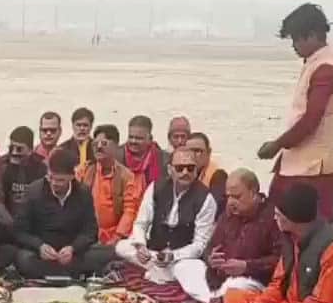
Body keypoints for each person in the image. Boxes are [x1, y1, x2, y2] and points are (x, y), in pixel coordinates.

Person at [257, 3, 333, 221]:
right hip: (298, 161)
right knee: (278, 219)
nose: (294, 45)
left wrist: (277, 144)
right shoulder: (315, 63)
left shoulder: (326, 69)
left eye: (296, 39)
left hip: (312, 168)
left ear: (314, 35)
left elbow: (310, 121)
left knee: (305, 227)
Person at [117, 148, 218, 289]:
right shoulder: (156, 187)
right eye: (180, 168)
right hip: (154, 254)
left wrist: (173, 256)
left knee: (194, 267)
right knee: (122, 247)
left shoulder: (206, 199)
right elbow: (141, 223)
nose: (185, 173)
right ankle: (161, 272)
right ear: (170, 170)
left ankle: (160, 273)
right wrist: (141, 246)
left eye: (190, 168)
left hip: (180, 259)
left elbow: (200, 244)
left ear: (196, 170)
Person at [186, 168, 284, 303]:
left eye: (237, 197)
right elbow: (210, 247)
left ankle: (217, 300)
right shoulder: (228, 214)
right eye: (228, 196)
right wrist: (211, 258)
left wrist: (246, 266)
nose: (231, 202)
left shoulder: (273, 218)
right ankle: (214, 300)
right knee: (186, 265)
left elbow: (281, 260)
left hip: (250, 281)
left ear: (254, 192)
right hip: (218, 279)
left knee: (235, 287)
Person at [13, 147, 113, 279]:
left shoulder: (83, 193)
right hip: (42, 253)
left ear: (72, 177)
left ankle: (59, 273)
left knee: (108, 252)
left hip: (72, 253)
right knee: (23, 259)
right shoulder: (33, 191)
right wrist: (39, 246)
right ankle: (67, 274)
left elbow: (90, 231)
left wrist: (73, 248)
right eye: (51, 178)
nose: (54, 183)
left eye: (60, 180)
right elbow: (19, 231)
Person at [83, 124, 145, 246]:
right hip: (87, 234)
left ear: (116, 146)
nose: (99, 147)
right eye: (95, 144)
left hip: (116, 237)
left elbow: (130, 210)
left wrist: (117, 236)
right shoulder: (85, 172)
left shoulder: (127, 176)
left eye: (104, 143)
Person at [0, 126, 49, 230]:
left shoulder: (42, 167)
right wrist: (12, 224)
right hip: (7, 222)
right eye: (11, 148)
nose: (14, 152)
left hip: (33, 223)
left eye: (19, 149)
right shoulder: (2, 166)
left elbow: (46, 201)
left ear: (30, 150)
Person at [185, 132, 229, 210]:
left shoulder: (218, 176)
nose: (193, 155)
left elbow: (214, 207)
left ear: (209, 152)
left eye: (197, 151)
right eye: (189, 151)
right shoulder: (183, 173)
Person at [123, 115, 170, 187]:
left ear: (149, 139)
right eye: (131, 137)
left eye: (139, 138)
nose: (133, 141)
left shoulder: (164, 160)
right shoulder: (117, 156)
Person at [59, 107, 95, 172]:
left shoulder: (97, 148)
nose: (82, 128)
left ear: (91, 126)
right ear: (72, 126)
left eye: (85, 125)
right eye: (78, 125)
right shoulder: (62, 149)